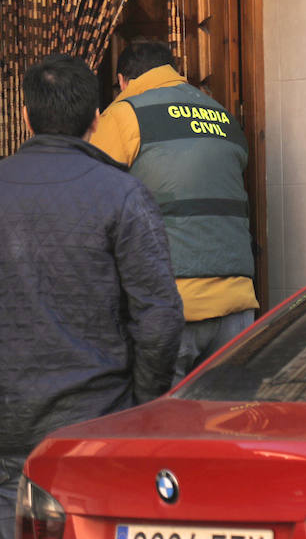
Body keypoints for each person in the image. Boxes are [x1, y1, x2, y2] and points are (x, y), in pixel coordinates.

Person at [0, 53, 183, 539]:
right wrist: (140, 405)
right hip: (98, 426)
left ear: (24, 116)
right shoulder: (121, 194)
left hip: (8, 430)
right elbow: (159, 319)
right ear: (96, 117)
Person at [90, 39, 258, 381]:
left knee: (164, 428)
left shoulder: (123, 115)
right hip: (238, 307)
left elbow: (93, 200)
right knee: (221, 425)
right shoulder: (222, 115)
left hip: (170, 307)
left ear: (123, 80)